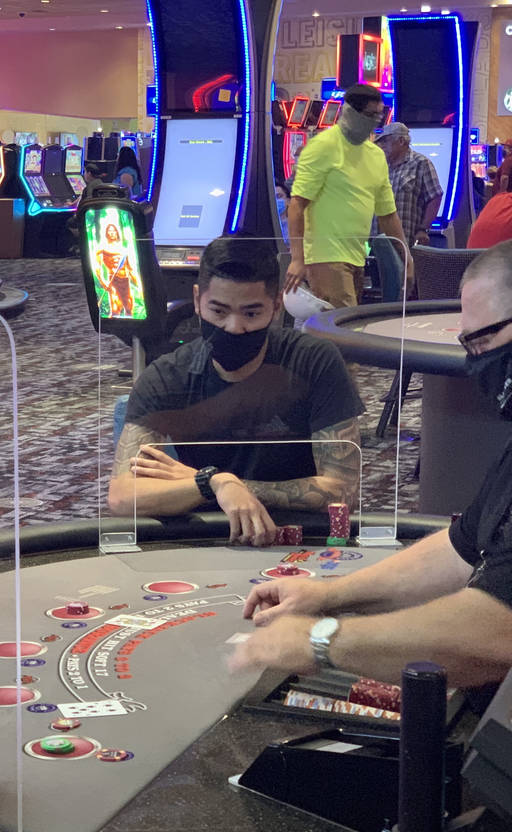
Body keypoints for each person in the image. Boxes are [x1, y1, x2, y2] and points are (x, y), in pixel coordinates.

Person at [231, 231, 512, 741]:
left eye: (479, 343)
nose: (473, 362)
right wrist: (327, 596)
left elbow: (501, 633)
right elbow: (464, 546)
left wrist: (322, 641)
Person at [108, 237, 363, 546]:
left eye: (251, 314)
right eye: (219, 311)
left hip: (302, 537)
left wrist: (232, 487)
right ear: (198, 299)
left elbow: (344, 490)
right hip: (211, 536)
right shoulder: (167, 375)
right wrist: (214, 481)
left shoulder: (314, 360)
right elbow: (123, 497)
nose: (234, 327)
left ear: (276, 307)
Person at [284, 84, 409, 308]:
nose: (375, 121)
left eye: (379, 116)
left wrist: (406, 254)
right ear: (350, 112)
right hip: (325, 256)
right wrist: (297, 259)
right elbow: (296, 206)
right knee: (343, 328)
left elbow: (388, 215)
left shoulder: (376, 156)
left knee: (346, 326)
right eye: (370, 115)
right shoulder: (322, 147)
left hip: (357, 256)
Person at [375, 122, 444, 248]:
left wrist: (423, 229)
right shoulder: (382, 166)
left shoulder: (420, 163)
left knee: (404, 267)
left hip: (406, 240)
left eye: (386, 141)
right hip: (379, 241)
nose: (382, 146)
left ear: (401, 141)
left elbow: (435, 196)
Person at [94, 222, 139, 316]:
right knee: (115, 308)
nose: (112, 233)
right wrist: (103, 282)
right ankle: (111, 327)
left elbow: (130, 268)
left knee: (129, 307)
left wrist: (139, 284)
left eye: (114, 230)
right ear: (106, 233)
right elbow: (97, 267)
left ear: (117, 232)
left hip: (125, 280)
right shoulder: (102, 248)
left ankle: (130, 328)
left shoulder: (123, 248)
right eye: (109, 231)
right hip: (113, 280)